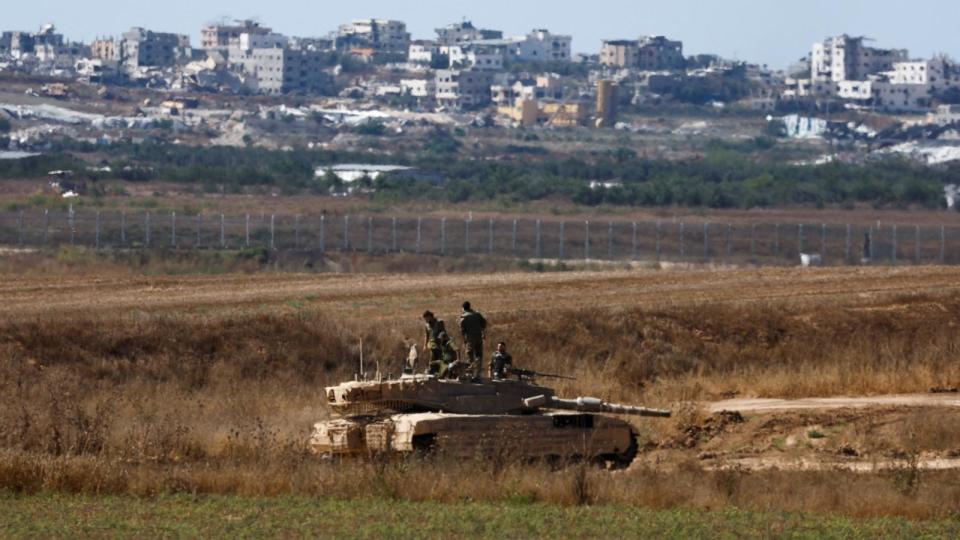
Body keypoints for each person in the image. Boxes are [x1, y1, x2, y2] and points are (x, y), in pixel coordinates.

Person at [458, 301, 487, 379]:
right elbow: (484, 323)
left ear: (463, 308)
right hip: (479, 337)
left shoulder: (463, 317)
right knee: (479, 355)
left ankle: (470, 373)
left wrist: (464, 340)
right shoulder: (477, 314)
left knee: (469, 355)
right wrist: (482, 331)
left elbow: (462, 330)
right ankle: (478, 373)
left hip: (470, 338)